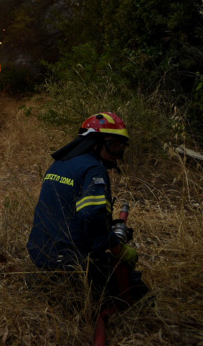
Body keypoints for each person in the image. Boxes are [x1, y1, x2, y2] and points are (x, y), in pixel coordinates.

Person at [26, 112, 149, 309]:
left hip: (39, 253)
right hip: (69, 262)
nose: (117, 154)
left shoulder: (61, 163)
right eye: (113, 145)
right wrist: (118, 248)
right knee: (141, 295)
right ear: (95, 142)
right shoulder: (94, 169)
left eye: (121, 147)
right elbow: (92, 215)